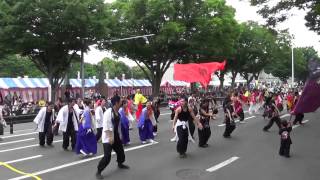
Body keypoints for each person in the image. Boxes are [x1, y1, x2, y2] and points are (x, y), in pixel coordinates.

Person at [96, 95, 129, 180]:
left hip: (115, 135)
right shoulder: (108, 112)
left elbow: (118, 125)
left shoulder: (118, 111)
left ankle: (120, 163)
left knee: (120, 151)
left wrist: (119, 134)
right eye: (120, 101)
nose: (122, 102)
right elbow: (106, 125)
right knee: (107, 156)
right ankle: (99, 171)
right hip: (108, 136)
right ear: (116, 103)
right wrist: (110, 137)